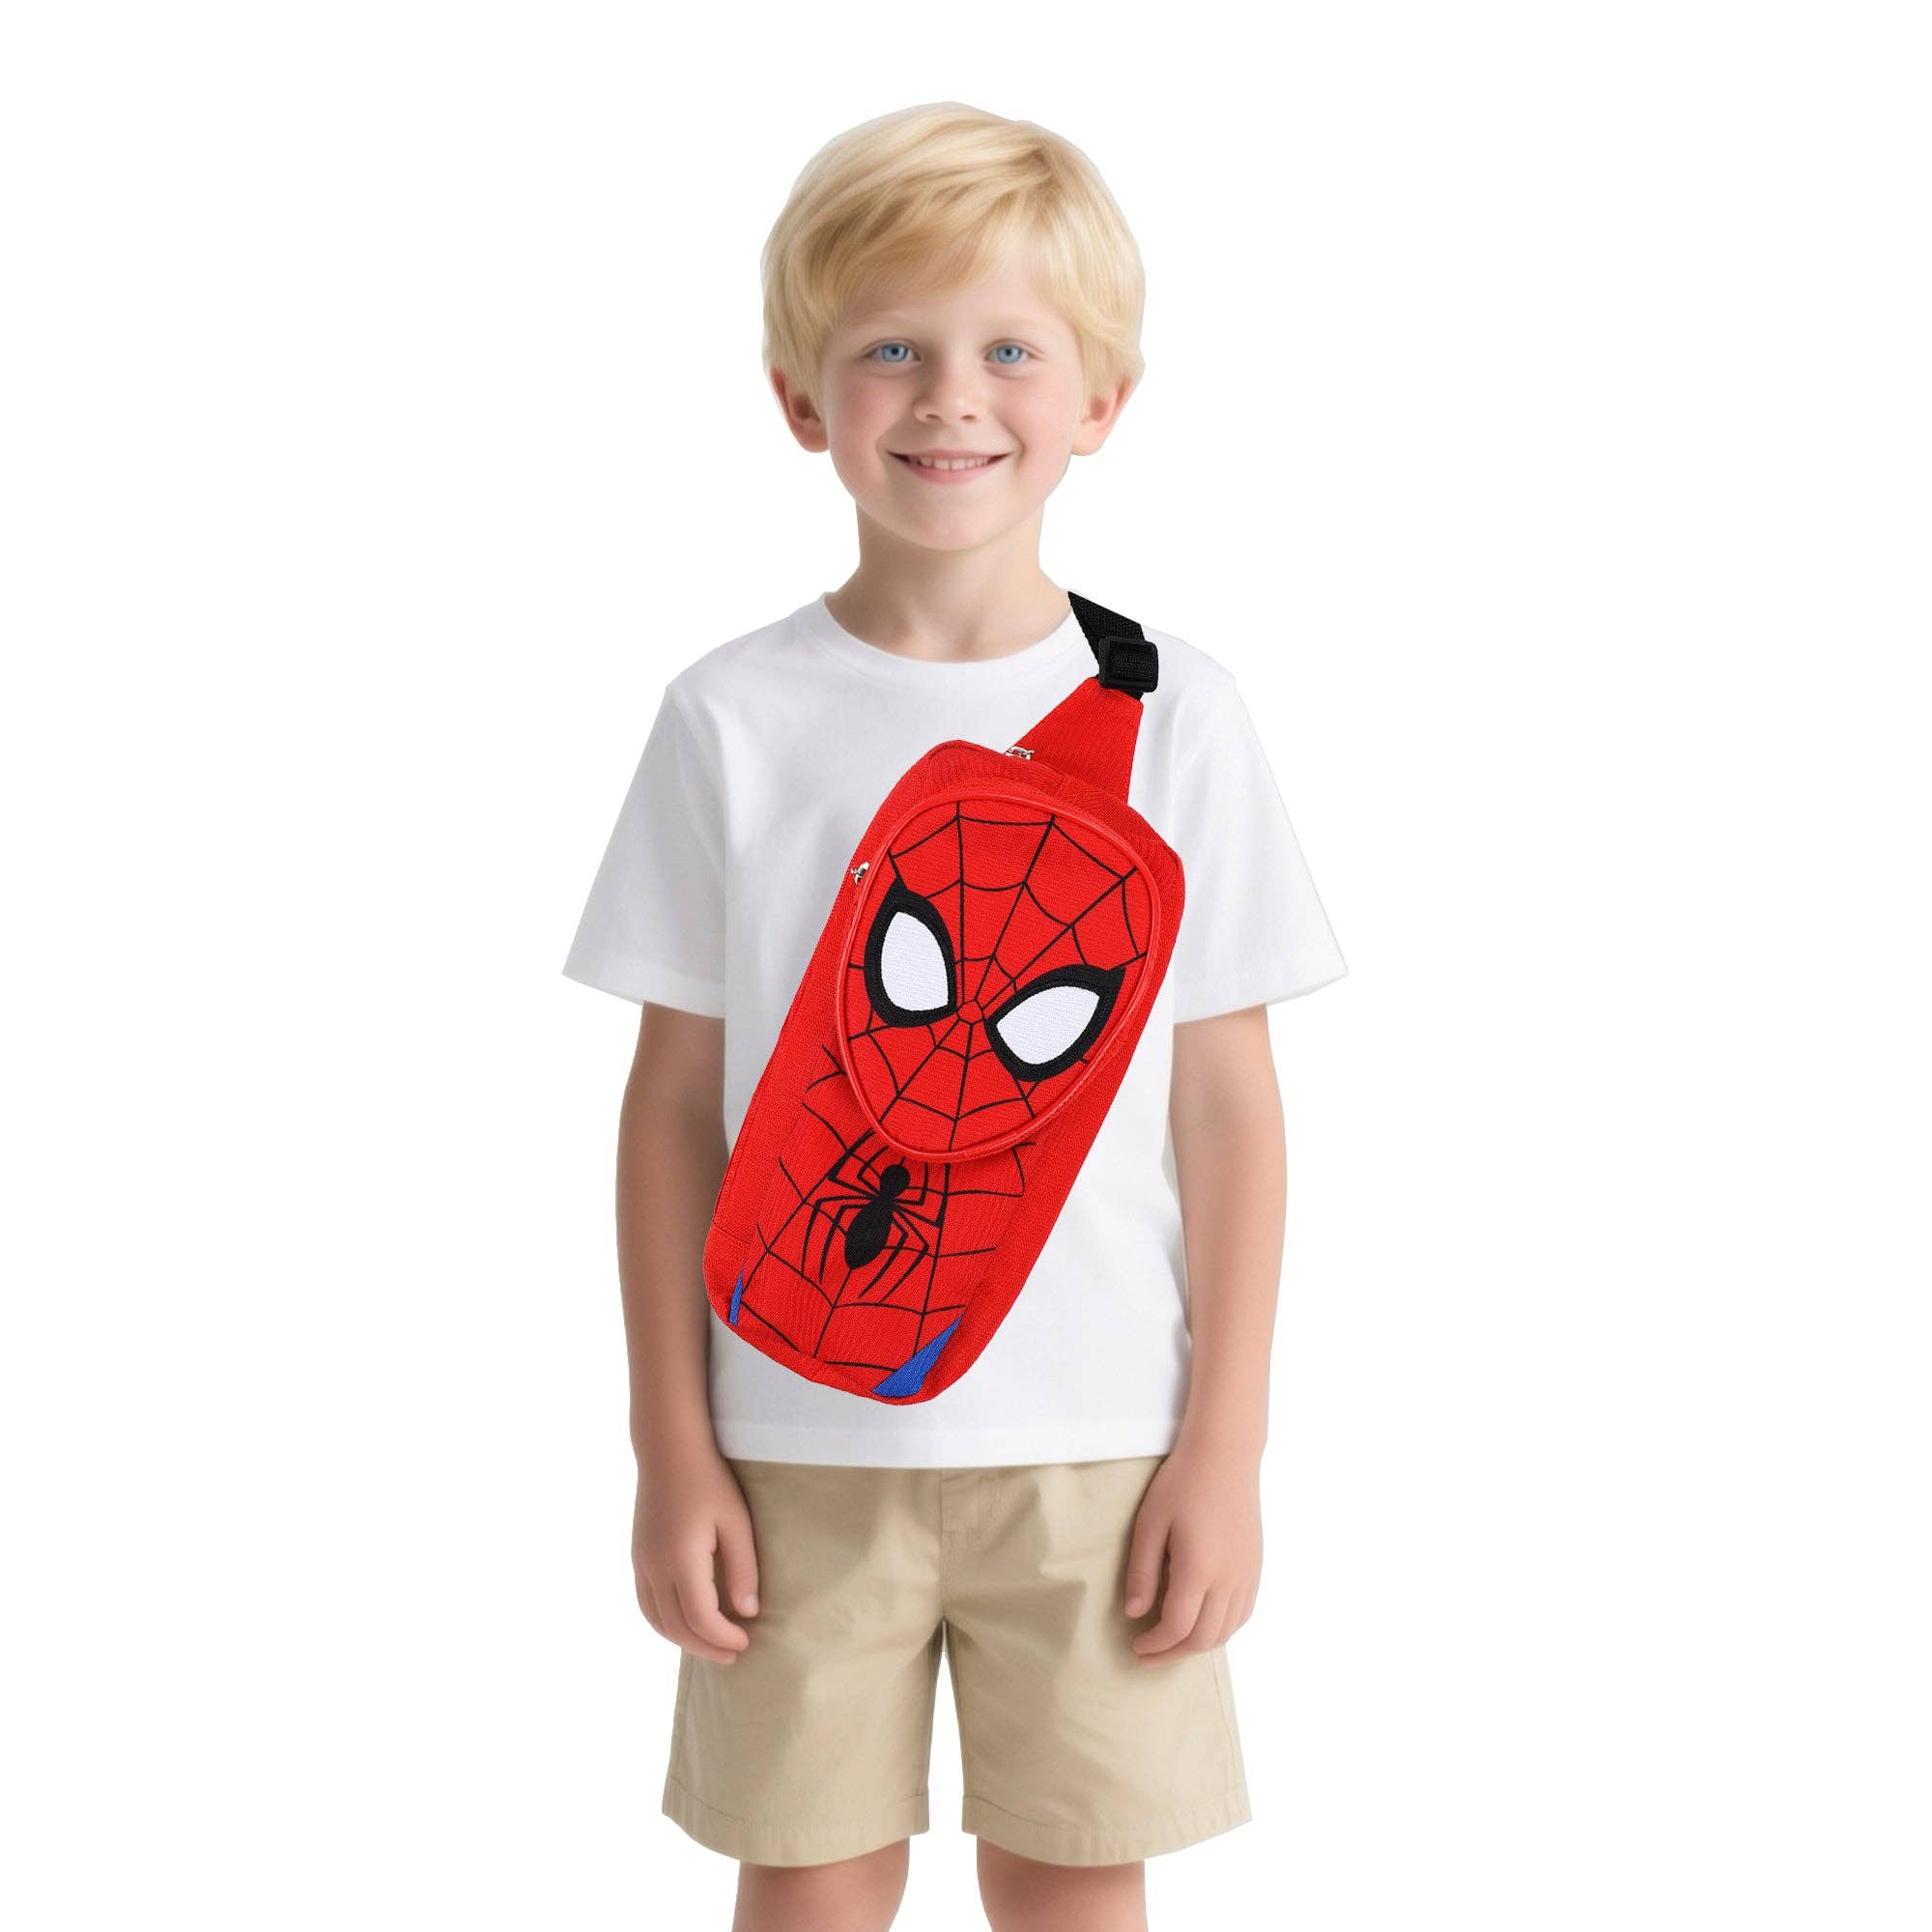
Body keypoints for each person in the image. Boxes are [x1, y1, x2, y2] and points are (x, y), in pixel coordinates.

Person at [563, 100, 1347, 1932]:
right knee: (808, 1879)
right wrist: (670, 1442)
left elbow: (1227, 1107)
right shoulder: (730, 717)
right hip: (791, 1432)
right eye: (891, 351)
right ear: (799, 399)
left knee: (1076, 1878)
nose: (949, 400)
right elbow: (674, 1106)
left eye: (1010, 351)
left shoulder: (1181, 718)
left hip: (1101, 1442)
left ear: (1103, 400)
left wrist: (1225, 1447)